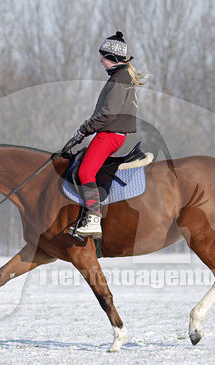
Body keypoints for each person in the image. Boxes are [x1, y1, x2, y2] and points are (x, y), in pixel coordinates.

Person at [69, 31, 149, 238]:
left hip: (109, 134)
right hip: (114, 134)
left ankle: (94, 218)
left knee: (85, 172)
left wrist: (83, 129)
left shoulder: (119, 79)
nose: (101, 60)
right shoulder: (121, 76)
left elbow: (107, 114)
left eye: (103, 56)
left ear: (112, 58)